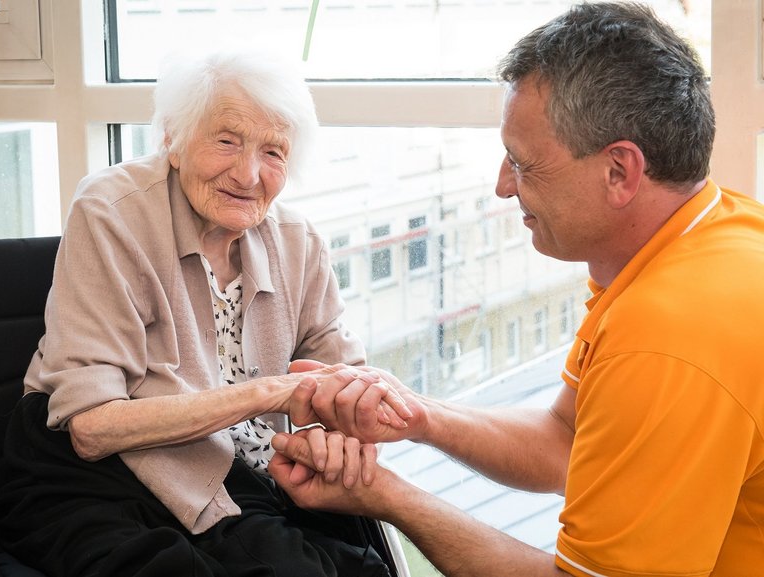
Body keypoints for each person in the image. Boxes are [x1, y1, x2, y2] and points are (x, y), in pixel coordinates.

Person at [267, 3, 764, 576]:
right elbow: (567, 441)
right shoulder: (716, 229)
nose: (504, 187)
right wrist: (417, 415)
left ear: (620, 172)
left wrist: (383, 495)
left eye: (523, 164)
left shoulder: (668, 334)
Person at [0, 46, 410, 577]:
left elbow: (344, 381)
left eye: (274, 152)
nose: (249, 173)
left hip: (234, 473)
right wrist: (271, 392)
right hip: (90, 473)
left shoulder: (296, 241)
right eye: (226, 141)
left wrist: (333, 435)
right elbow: (91, 428)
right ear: (172, 138)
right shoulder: (112, 213)